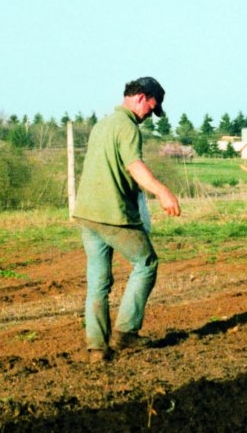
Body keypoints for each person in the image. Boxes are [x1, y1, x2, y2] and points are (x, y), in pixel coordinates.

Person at [73, 77, 181, 363]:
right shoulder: (128, 127)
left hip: (86, 213)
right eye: (151, 108)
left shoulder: (103, 124)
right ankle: (126, 334)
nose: (149, 116)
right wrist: (163, 192)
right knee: (146, 262)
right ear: (141, 97)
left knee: (98, 281)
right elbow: (135, 166)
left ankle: (97, 348)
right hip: (112, 214)